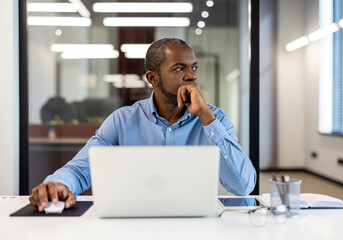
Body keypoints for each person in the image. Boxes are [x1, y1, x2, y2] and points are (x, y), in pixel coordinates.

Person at [29, 38, 257, 212]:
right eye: (179, 68)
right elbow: (80, 169)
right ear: (153, 78)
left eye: (194, 67)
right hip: (134, 221)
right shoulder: (122, 120)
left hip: (197, 222)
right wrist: (57, 184)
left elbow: (243, 186)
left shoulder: (215, 119)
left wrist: (206, 117)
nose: (191, 76)